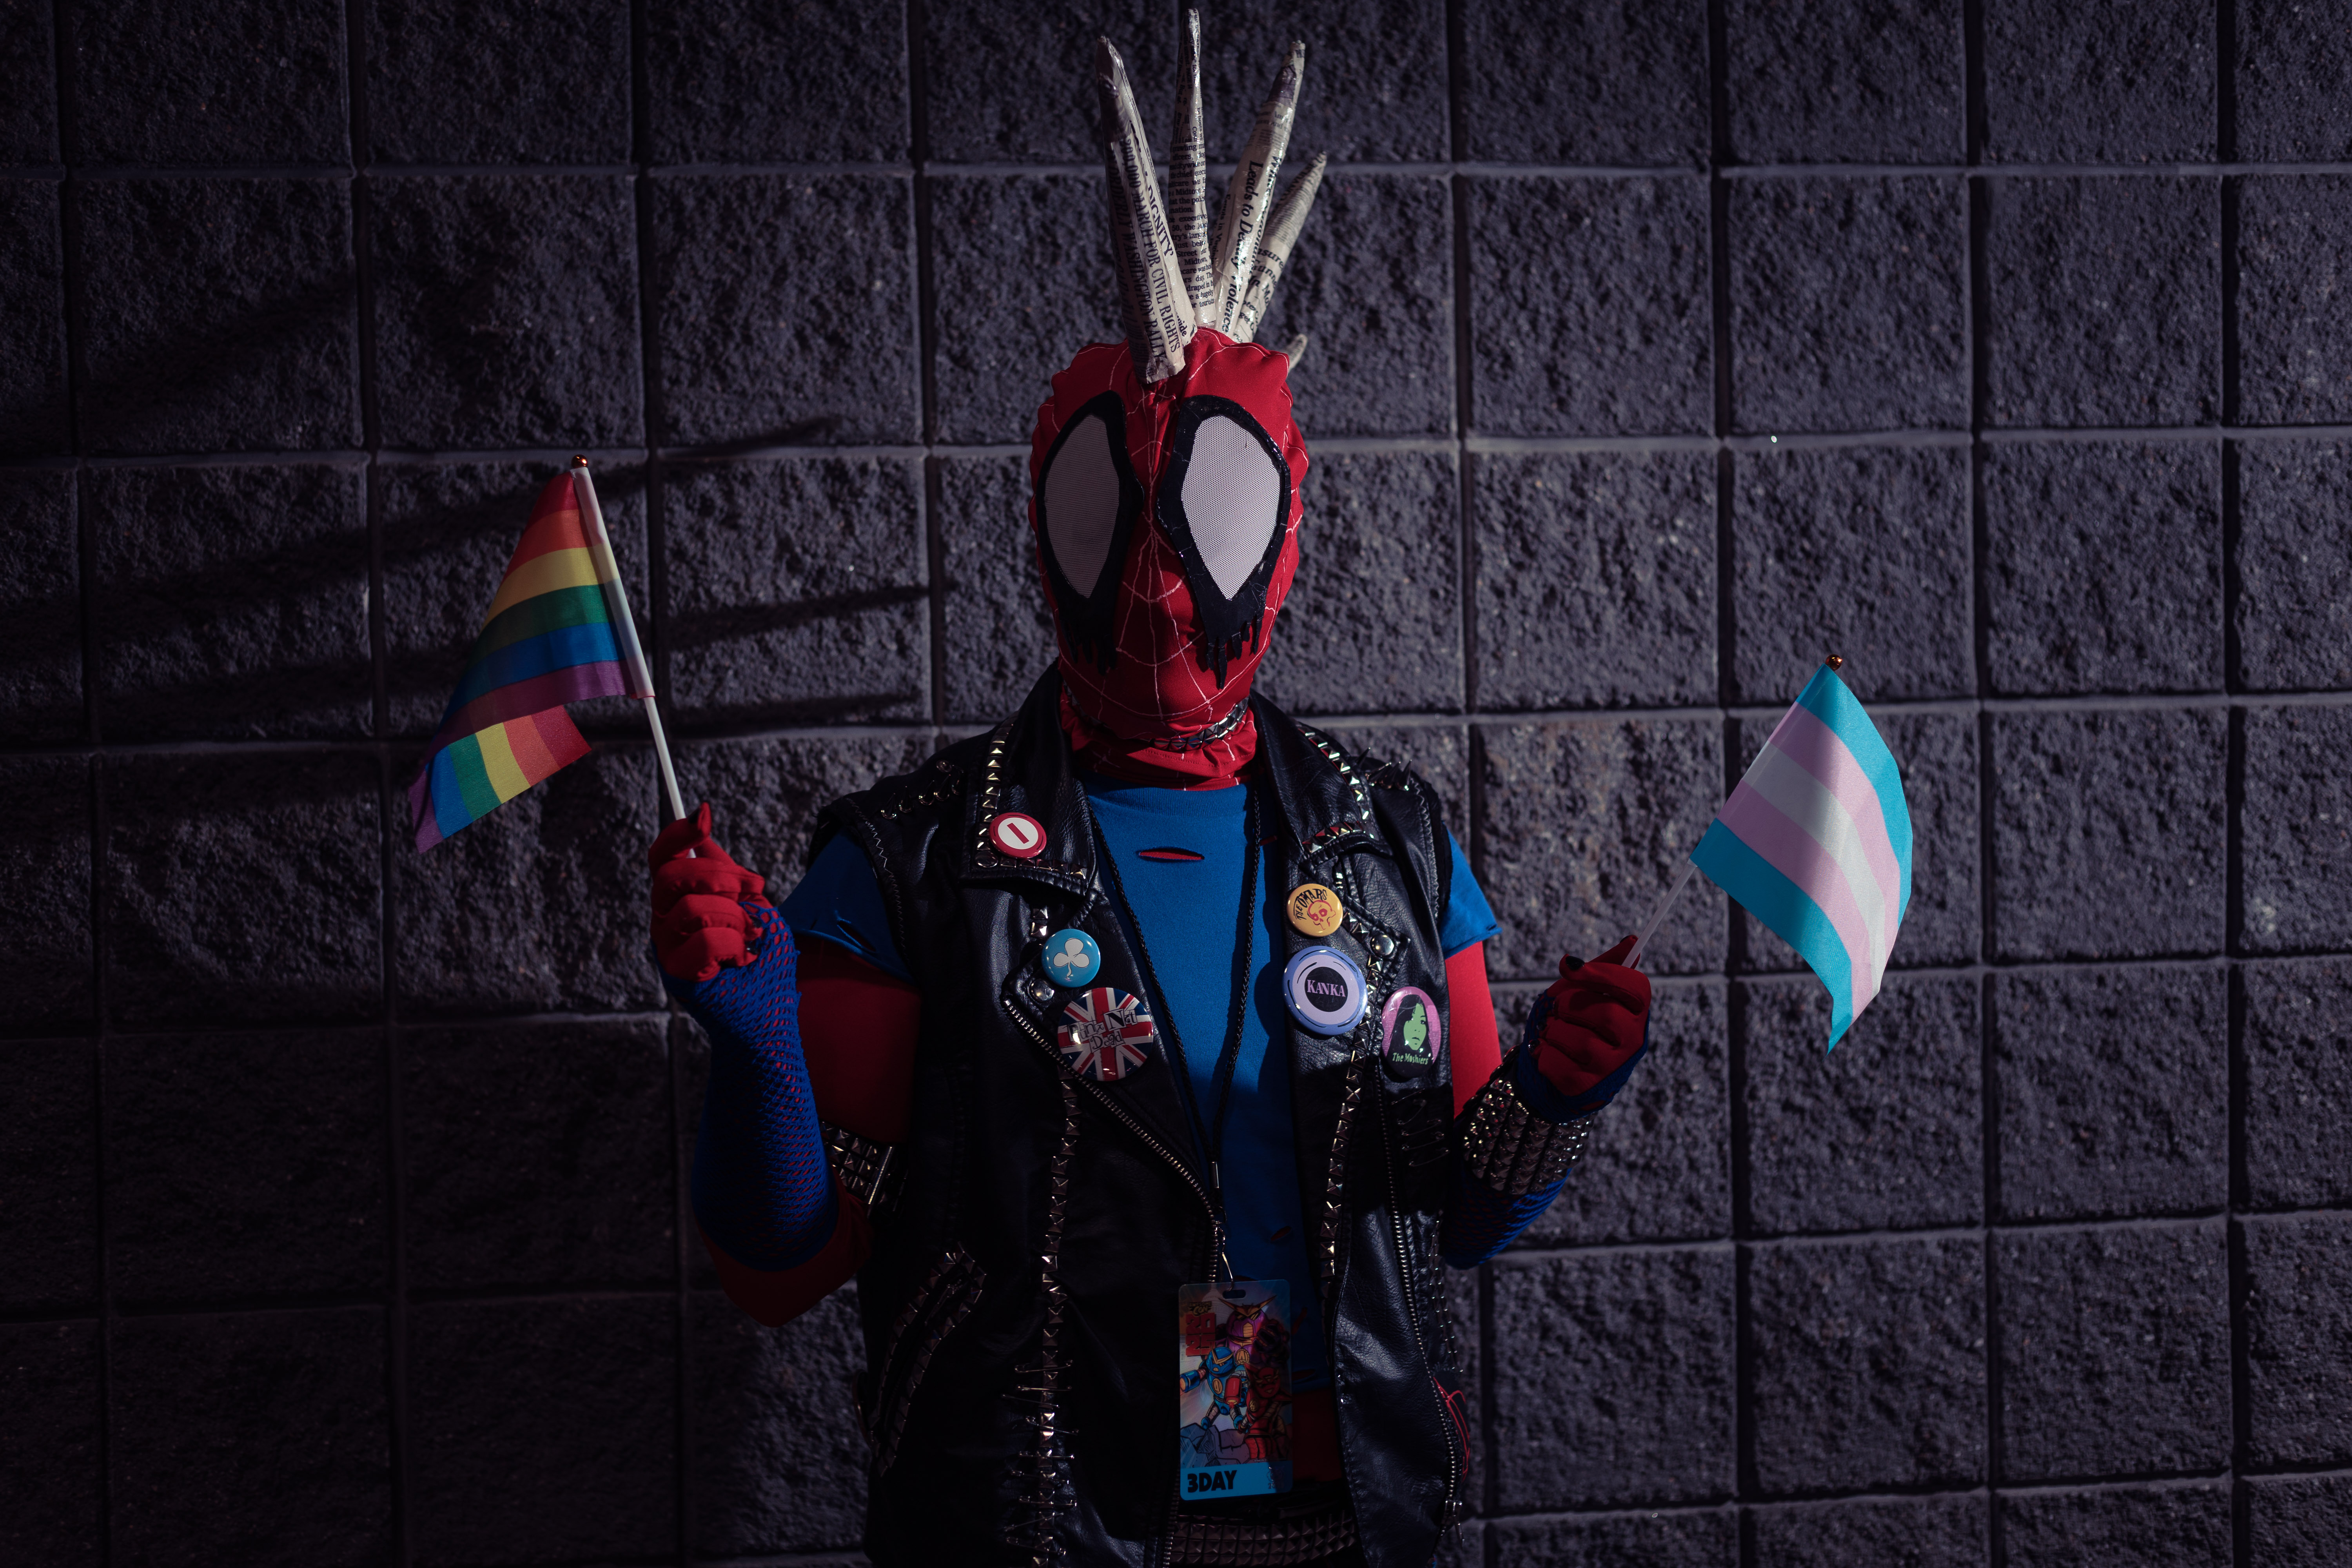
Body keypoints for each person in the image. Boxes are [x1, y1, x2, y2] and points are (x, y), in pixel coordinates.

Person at [647, 25, 1655, 1567]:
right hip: (1051, 1528)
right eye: (1107, 521)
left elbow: (1449, 1208)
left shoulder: (1390, 846)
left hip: (1343, 1519)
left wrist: (1557, 1097)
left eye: (1213, 520)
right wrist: (760, 1035)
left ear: (1284, 525)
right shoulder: (916, 865)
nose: (1160, 601)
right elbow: (784, 1272)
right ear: (1049, 527)